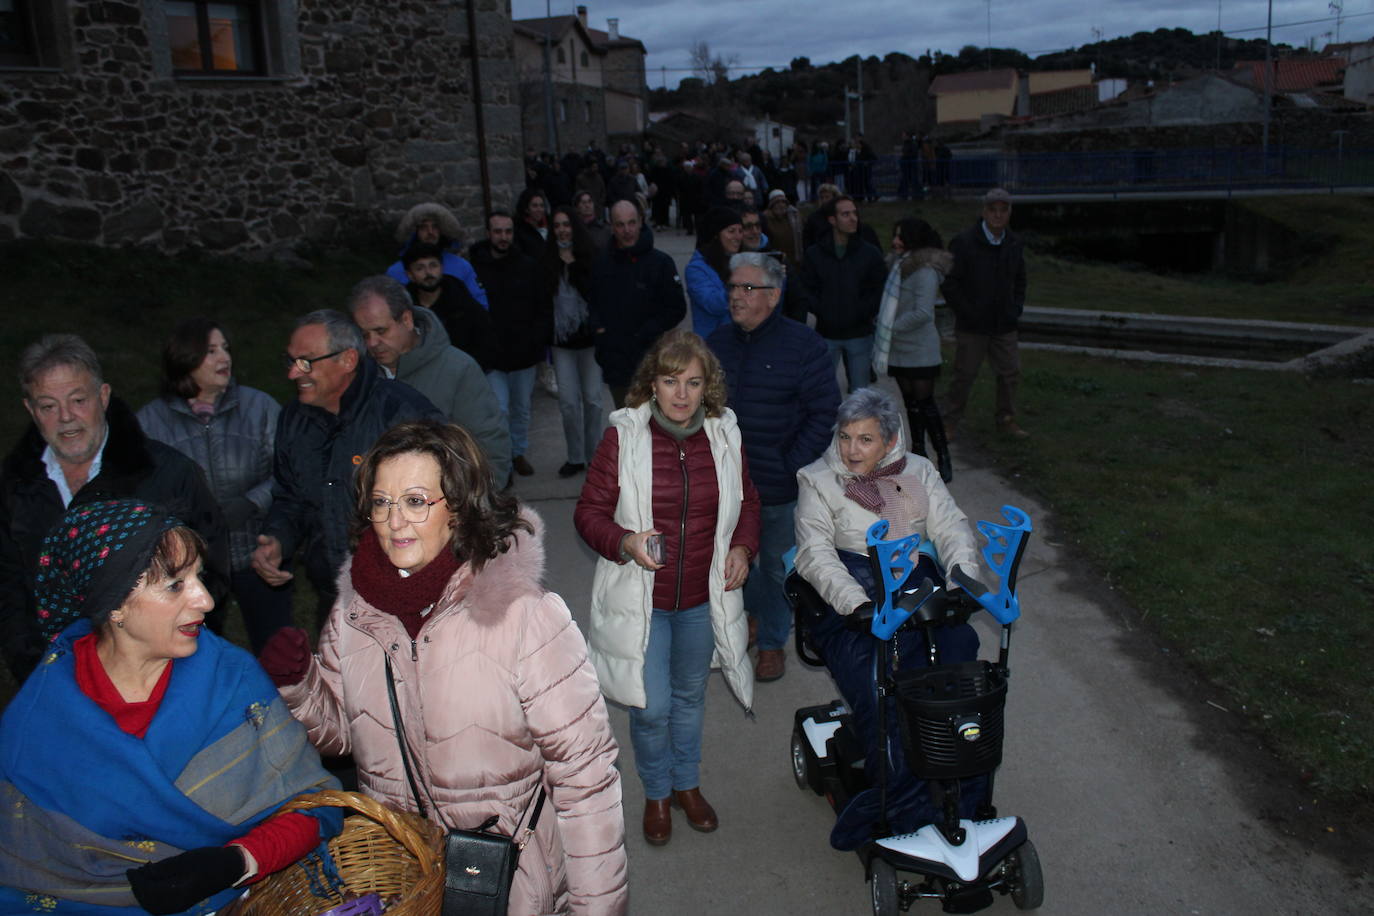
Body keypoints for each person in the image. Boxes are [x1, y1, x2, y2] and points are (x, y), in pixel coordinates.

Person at [259, 421, 628, 914]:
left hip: (512, 886)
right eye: (381, 501)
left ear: (459, 507)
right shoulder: (354, 615)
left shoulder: (526, 616)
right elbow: (342, 735)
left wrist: (598, 909)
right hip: (404, 881)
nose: (394, 522)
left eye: (415, 501)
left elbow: (586, 779)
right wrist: (298, 686)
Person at [0, 499, 342, 914]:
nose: (206, 601)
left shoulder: (230, 679)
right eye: (174, 584)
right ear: (113, 604)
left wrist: (237, 861)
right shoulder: (45, 707)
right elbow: (20, 845)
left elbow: (315, 805)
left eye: (197, 576)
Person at [574, 330, 761, 847]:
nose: (682, 394)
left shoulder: (725, 435)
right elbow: (587, 514)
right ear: (652, 385)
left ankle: (687, 785)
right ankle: (657, 793)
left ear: (708, 388)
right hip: (644, 604)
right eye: (671, 380)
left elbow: (748, 502)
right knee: (651, 706)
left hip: (704, 598)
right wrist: (625, 539)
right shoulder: (624, 436)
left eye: (694, 383)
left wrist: (743, 548)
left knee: (690, 696)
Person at [793, 387, 983, 850]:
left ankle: (961, 790)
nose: (852, 450)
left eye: (865, 439)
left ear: (890, 441)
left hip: (915, 582)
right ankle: (898, 804)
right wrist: (855, 604)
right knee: (884, 691)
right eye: (845, 438)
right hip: (852, 593)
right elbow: (816, 554)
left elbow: (951, 529)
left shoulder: (919, 472)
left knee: (959, 676)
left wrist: (963, 583)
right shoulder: (818, 479)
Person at [1, 334, 227, 681]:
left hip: (158, 670)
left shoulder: (167, 475)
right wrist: (31, 663)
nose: (65, 417)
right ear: (30, 410)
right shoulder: (13, 488)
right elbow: (8, 585)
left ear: (103, 396)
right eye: (48, 406)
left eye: (78, 400)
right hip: (53, 673)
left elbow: (212, 569)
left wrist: (176, 657)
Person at [251, 310, 442, 622]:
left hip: (405, 597)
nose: (294, 374)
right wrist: (278, 539)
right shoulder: (293, 420)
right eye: (290, 361)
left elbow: (448, 502)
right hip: (334, 597)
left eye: (306, 362)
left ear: (348, 360)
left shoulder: (401, 414)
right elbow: (290, 497)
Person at [707, 253, 839, 683]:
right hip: (727, 484)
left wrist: (790, 467)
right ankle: (750, 618)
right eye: (732, 287)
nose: (735, 296)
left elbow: (824, 414)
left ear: (773, 295)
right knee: (733, 561)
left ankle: (771, 643)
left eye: (747, 288)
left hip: (777, 484)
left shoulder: (804, 346)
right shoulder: (716, 343)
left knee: (778, 567)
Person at [136, 318, 291, 653]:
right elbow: (142, 492)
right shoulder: (150, 422)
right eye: (211, 350)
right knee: (194, 656)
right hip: (192, 563)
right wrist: (192, 518)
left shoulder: (260, 408)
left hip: (259, 553)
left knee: (280, 653)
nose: (225, 358)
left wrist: (252, 502)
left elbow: (290, 472)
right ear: (184, 358)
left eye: (225, 348)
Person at [347, 275, 512, 486]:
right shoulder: (355, 376)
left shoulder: (458, 369)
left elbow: (490, 445)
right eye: (364, 335)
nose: (372, 343)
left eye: (381, 331)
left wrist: (474, 508)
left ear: (406, 320)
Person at [942, 188, 1029, 438]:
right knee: (964, 374)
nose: (998, 215)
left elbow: (1020, 279)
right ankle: (950, 420)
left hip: (1004, 323)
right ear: (984, 212)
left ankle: (1006, 419)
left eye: (1004, 210)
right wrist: (966, 311)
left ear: (1009, 213)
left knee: (1010, 373)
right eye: (993, 210)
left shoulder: (1014, 242)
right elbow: (950, 282)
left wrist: (1015, 308)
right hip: (972, 325)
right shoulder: (964, 241)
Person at [470, 210, 551, 478]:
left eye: (507, 231)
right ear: (488, 233)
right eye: (498, 231)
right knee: (499, 410)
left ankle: (518, 452)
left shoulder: (528, 265)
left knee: (521, 409)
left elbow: (541, 306)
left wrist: (536, 341)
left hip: (523, 354)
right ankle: (502, 456)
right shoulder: (475, 266)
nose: (503, 237)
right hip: (492, 356)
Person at [873, 218, 955, 482]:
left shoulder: (925, 271)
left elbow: (923, 313)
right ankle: (919, 454)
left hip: (920, 350)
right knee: (910, 405)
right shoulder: (899, 266)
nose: (895, 241)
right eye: (895, 236)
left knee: (926, 404)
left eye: (901, 236)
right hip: (899, 350)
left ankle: (943, 456)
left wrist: (888, 327)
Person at [589, 200, 686, 409]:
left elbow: (677, 308)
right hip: (617, 365)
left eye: (631, 223)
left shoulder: (661, 263)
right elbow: (593, 303)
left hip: (654, 362)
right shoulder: (602, 264)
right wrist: (600, 334)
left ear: (641, 222)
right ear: (612, 226)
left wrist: (649, 330)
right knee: (629, 428)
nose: (627, 230)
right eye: (620, 224)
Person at [797, 194, 888, 395]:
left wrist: (863, 311)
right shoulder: (815, 254)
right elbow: (806, 288)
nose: (853, 218)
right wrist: (822, 310)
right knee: (823, 392)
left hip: (860, 333)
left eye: (855, 213)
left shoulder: (869, 253)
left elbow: (879, 288)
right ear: (832, 219)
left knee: (860, 395)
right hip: (827, 333)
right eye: (846, 214)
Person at [540, 205, 605, 479]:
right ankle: (575, 456)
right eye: (557, 226)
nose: (562, 230)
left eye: (566, 224)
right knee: (568, 402)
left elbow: (601, 294)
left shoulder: (590, 257)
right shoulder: (546, 261)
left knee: (593, 400)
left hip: (589, 340)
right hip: (561, 342)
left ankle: (593, 456)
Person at [402, 241, 498, 371]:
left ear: (441, 267)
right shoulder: (404, 307)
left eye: (433, 265)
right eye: (420, 268)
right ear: (410, 275)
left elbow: (485, 339)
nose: (428, 273)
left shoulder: (463, 301)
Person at [384, 202, 488, 308]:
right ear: (414, 232)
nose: (430, 232)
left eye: (435, 227)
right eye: (423, 227)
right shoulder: (396, 271)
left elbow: (480, 303)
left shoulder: (461, 267)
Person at [685, 206, 743, 337]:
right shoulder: (696, 269)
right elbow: (713, 304)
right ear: (716, 234)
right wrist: (740, 283)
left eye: (740, 231)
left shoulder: (741, 260)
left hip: (742, 339)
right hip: (713, 342)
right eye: (731, 231)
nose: (738, 236)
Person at [514, 187, 552, 259]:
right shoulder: (519, 231)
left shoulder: (550, 225)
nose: (539, 209)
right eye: (535, 206)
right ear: (526, 209)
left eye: (542, 206)